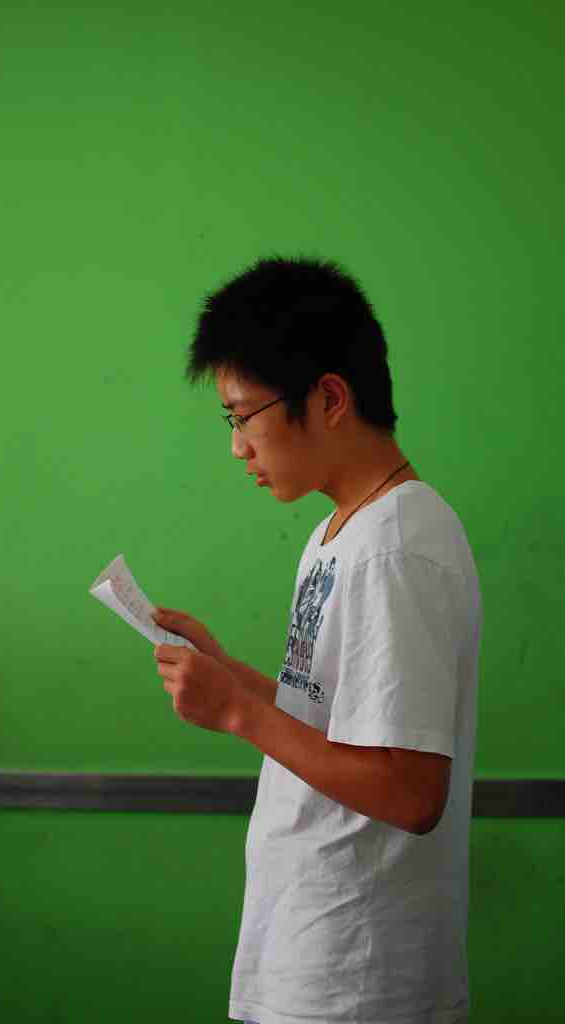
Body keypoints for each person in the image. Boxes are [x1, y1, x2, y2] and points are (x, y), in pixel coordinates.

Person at [152, 255, 483, 1024]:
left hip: (359, 981)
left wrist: (237, 713)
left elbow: (408, 790)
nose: (237, 446)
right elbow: (340, 717)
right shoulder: (342, 532)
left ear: (328, 397)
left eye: (243, 416)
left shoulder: (399, 545)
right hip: (317, 955)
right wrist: (229, 675)